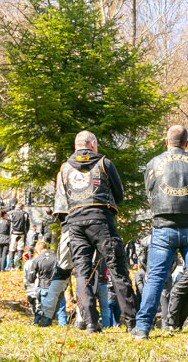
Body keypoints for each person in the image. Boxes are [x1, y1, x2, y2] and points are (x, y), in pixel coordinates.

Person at [132, 126, 188, 340]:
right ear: (186, 143)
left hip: (163, 226)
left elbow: (149, 192)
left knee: (154, 277)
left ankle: (143, 327)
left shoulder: (153, 163)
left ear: (167, 142)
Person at [53, 130, 136, 333]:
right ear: (92, 144)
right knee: (117, 269)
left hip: (75, 223)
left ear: (75, 147)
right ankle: (132, 322)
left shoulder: (64, 168)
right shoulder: (105, 164)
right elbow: (120, 194)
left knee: (82, 272)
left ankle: (91, 322)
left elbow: (61, 201)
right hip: (101, 221)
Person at [31, 240, 68, 327]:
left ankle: (46, 325)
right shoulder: (56, 257)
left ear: (38, 249)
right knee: (61, 307)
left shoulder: (38, 259)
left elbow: (32, 276)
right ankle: (63, 324)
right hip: (57, 285)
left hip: (44, 287)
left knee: (45, 309)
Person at [8, 203, 30, 269]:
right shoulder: (25, 213)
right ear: (22, 207)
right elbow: (27, 224)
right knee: (20, 249)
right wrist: (26, 232)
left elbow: (9, 223)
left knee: (12, 249)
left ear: (15, 206)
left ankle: (11, 266)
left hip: (13, 233)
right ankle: (18, 266)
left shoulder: (11, 213)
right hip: (22, 233)